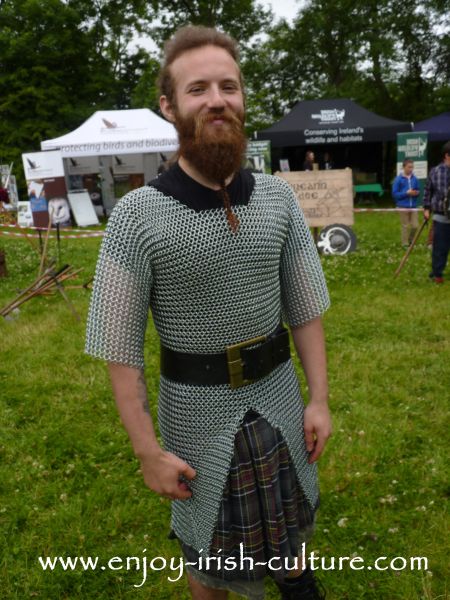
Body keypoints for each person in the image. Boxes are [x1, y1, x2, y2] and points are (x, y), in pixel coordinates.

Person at [86, 25, 331, 600]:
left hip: (278, 403)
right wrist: (147, 451)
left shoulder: (278, 198)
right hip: (197, 418)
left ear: (243, 98)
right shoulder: (137, 217)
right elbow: (119, 348)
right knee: (209, 565)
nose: (217, 99)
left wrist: (318, 398)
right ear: (169, 105)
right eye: (198, 89)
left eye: (229, 86)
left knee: (290, 532)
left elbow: (306, 310)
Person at [423, 141, 450, 283]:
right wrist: (426, 208)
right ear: (447, 156)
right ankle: (437, 273)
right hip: (441, 216)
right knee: (440, 247)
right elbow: (428, 191)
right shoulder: (435, 171)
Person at [392, 159, 420, 247]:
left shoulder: (415, 179)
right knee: (405, 226)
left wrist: (416, 193)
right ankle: (404, 244)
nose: (411, 169)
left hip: (413, 206)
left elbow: (418, 190)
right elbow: (395, 194)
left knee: (415, 226)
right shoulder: (398, 179)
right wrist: (406, 193)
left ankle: (411, 240)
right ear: (404, 167)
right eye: (409, 167)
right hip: (402, 206)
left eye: (412, 167)